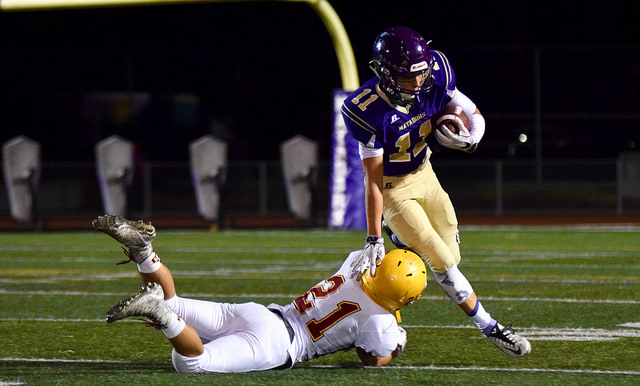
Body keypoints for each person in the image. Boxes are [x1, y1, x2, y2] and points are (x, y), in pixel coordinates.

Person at [341, 26, 531, 357]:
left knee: (453, 252)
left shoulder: (437, 74)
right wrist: (373, 237)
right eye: (408, 76)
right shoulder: (366, 109)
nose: (418, 83)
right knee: (442, 261)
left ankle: (403, 238)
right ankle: (490, 325)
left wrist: (471, 140)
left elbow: (473, 113)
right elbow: (372, 179)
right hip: (392, 189)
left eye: (422, 73)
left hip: (425, 173)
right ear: (385, 73)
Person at [92, 214, 427, 373]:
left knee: (173, 300)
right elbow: (371, 358)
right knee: (193, 365)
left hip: (264, 313)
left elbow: (379, 258)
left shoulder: (358, 263)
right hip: (279, 345)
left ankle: (144, 252)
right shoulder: (380, 324)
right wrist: (396, 344)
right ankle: (163, 316)